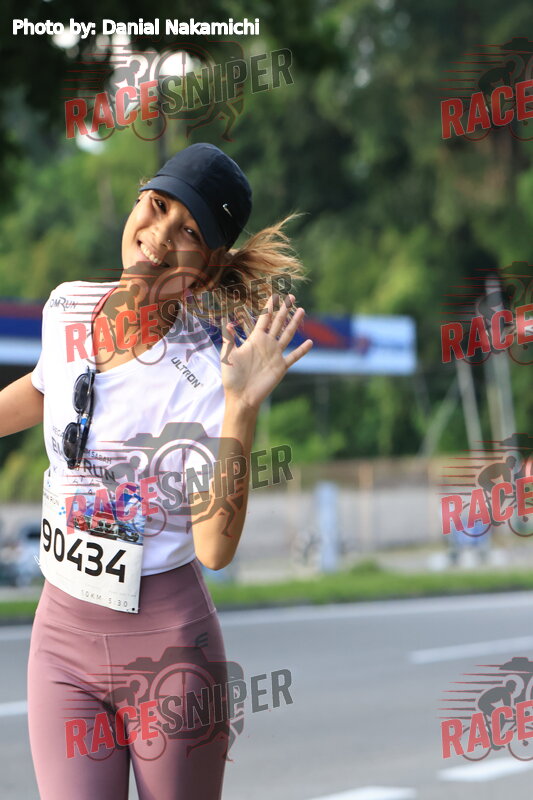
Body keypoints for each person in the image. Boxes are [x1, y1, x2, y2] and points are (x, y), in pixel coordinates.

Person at [0, 142, 313, 799]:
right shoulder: (67, 308)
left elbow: (214, 549)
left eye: (190, 231)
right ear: (139, 198)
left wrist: (241, 407)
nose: (161, 235)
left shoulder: (207, 372)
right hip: (60, 642)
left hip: (169, 650)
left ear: (209, 266)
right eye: (159, 205)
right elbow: (42, 389)